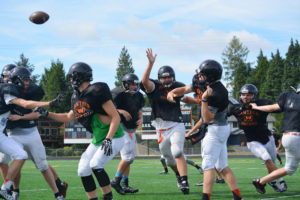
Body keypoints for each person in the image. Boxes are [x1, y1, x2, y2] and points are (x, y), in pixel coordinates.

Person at [34, 62, 125, 200]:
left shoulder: (97, 90)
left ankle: (108, 197)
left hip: (114, 136)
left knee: (96, 164)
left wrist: (108, 139)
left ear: (78, 77)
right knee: (83, 169)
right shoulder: (76, 97)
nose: (70, 81)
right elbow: (68, 117)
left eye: (72, 77)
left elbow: (116, 117)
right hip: (98, 139)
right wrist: (47, 113)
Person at [167, 59, 243, 200]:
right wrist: (173, 92)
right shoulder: (200, 81)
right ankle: (238, 197)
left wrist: (204, 100)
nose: (199, 76)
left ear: (210, 77)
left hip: (216, 129)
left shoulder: (218, 93)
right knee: (222, 166)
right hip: (219, 128)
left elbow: (206, 119)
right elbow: (185, 89)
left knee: (208, 165)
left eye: (202, 74)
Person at [0, 67, 63, 200]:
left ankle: (6, 188)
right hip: (11, 133)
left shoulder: (16, 91)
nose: (27, 83)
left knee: (22, 156)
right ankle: (11, 189)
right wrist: (49, 103)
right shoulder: (7, 89)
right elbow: (24, 103)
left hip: (12, 133)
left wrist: (25, 114)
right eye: (25, 79)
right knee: (6, 160)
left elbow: (28, 106)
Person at [141, 48, 190, 194]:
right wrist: (150, 64)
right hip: (161, 128)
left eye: (169, 77)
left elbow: (186, 96)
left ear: (173, 77)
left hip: (176, 124)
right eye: (164, 77)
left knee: (177, 151)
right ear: (159, 78)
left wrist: (200, 101)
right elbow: (144, 81)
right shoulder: (154, 87)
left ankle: (185, 181)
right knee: (168, 159)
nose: (166, 80)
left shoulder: (177, 86)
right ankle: (178, 175)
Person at [227, 84, 286, 193]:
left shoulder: (261, 103)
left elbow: (278, 108)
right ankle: (281, 181)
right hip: (252, 141)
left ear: (254, 95)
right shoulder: (235, 107)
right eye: (243, 94)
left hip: (268, 138)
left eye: (248, 95)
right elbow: (222, 115)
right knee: (266, 158)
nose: (245, 97)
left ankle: (271, 181)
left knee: (272, 162)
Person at [251, 83, 300, 194]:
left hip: (288, 137)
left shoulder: (289, 97)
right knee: (290, 168)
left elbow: (273, 107)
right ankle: (261, 181)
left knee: (290, 168)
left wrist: (257, 107)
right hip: (296, 137)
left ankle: (261, 181)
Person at [110, 73, 145, 194]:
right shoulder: (118, 94)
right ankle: (116, 180)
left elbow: (139, 109)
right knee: (128, 157)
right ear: (125, 85)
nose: (135, 86)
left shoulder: (139, 96)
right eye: (132, 84)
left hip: (131, 129)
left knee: (128, 158)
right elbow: (108, 108)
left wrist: (141, 118)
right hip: (121, 127)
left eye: (136, 84)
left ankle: (124, 184)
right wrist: (121, 111)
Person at [0, 64, 17, 191]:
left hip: (18, 131)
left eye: (9, 76)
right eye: (5, 76)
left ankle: (13, 189)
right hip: (4, 131)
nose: (7, 79)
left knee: (40, 163)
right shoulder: (2, 89)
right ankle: (9, 189)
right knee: (2, 161)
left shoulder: (18, 90)